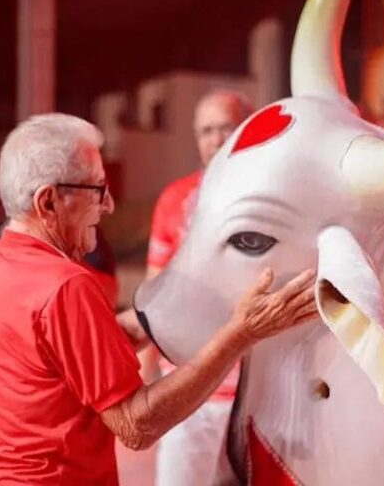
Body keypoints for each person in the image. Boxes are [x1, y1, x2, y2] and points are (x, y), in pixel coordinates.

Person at [0, 113, 318, 485]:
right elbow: (136, 425)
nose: (109, 205)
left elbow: (59, 357)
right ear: (48, 202)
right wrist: (242, 335)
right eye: (96, 190)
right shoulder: (65, 285)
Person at [143, 90, 254, 486]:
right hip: (191, 392)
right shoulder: (175, 199)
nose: (216, 139)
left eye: (226, 127)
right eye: (207, 130)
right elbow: (156, 292)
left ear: (248, 127)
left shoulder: (273, 197)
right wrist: (148, 370)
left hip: (258, 393)